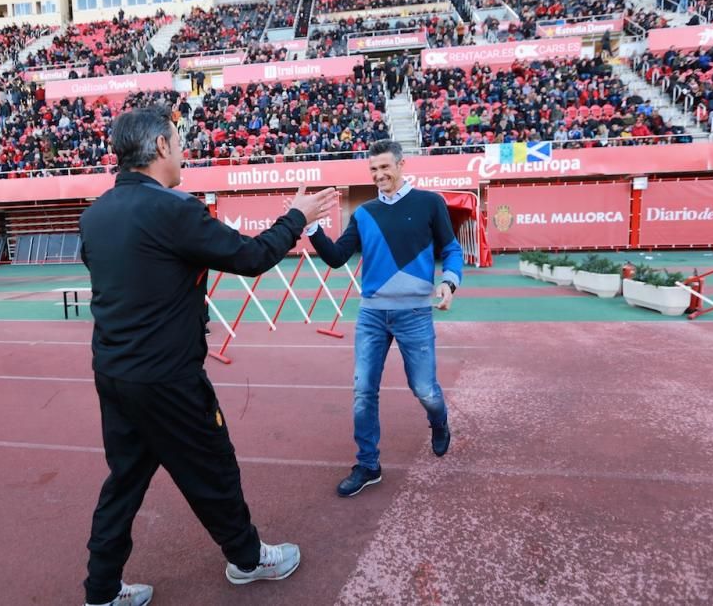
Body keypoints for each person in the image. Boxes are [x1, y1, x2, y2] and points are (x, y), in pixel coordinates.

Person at [78, 106, 337, 606]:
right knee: (213, 467)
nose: (183, 152)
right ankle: (247, 559)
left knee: (124, 482)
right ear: (159, 148)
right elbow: (252, 257)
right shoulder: (174, 209)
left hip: (114, 373)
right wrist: (297, 217)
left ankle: (101, 591)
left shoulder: (95, 215)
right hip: (168, 379)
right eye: (178, 142)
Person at [306, 140, 463, 497]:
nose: (379, 175)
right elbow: (336, 257)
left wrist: (450, 282)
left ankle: (439, 422)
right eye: (373, 170)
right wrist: (312, 229)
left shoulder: (430, 203)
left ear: (401, 165)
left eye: (384, 168)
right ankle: (368, 464)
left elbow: (451, 249)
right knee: (363, 391)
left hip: (415, 315)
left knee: (424, 389)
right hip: (372, 315)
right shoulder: (364, 213)